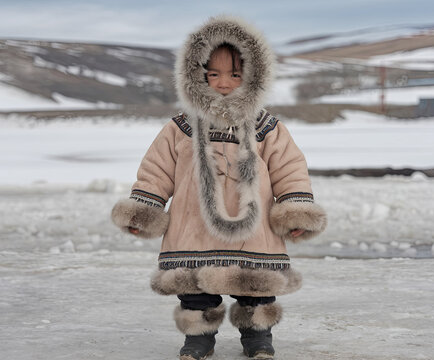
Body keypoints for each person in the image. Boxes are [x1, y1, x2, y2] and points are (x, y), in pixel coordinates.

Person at [111, 15, 327, 360]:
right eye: (213, 74)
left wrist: (295, 209)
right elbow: (156, 170)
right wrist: (145, 209)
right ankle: (198, 337)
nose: (224, 83)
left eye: (235, 74)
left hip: (252, 227)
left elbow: (290, 168)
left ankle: (258, 337)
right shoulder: (180, 127)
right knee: (194, 287)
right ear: (196, 77)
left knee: (255, 286)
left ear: (253, 77)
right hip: (192, 223)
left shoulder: (266, 126)